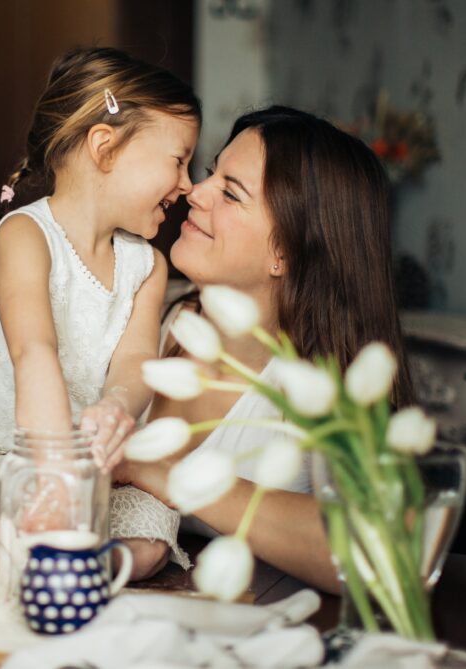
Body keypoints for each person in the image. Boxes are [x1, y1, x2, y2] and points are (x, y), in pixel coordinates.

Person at [0, 46, 201, 580]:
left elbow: (137, 359)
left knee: (153, 527)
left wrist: (119, 406)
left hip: (82, 470)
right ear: (105, 147)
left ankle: (79, 567)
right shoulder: (26, 236)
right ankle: (53, 560)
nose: (188, 184)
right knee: (21, 524)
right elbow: (35, 354)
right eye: (179, 160)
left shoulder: (147, 265)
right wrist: (53, 478)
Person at [115, 105, 414, 592]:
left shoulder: (327, 387)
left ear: (285, 253)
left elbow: (380, 553)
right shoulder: (144, 312)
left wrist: (176, 476)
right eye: (213, 172)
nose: (195, 189)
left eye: (231, 192)